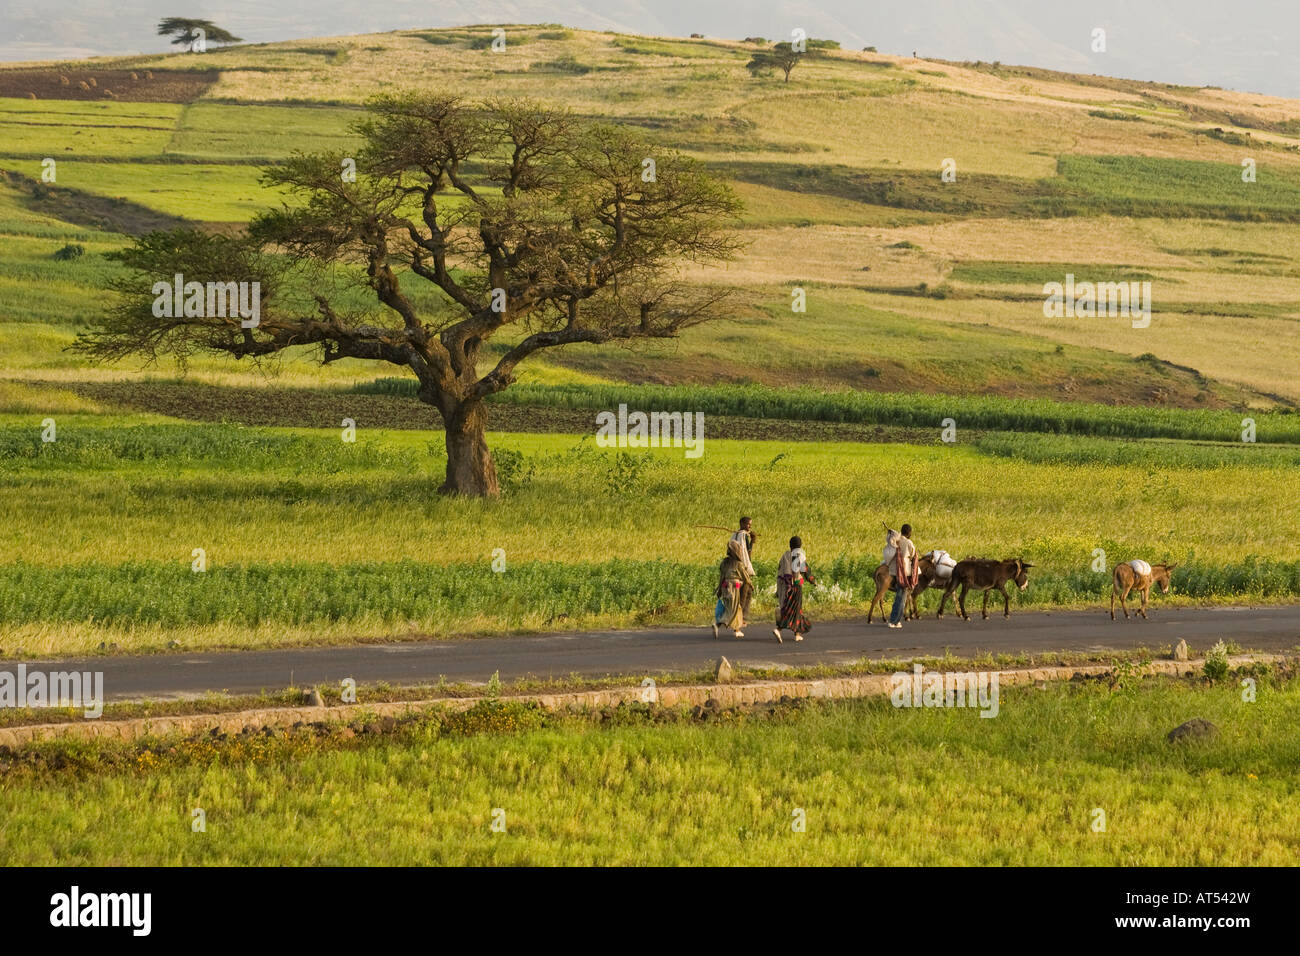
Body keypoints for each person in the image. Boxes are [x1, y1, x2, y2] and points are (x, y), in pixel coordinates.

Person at [773, 536, 816, 643]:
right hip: (796, 587)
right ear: (800, 545)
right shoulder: (799, 555)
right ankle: (780, 630)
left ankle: (797, 633)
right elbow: (805, 569)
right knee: (795, 610)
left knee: (789, 609)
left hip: (786, 587)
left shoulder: (785, 555)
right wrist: (812, 580)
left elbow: (781, 571)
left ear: (790, 545)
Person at [713, 537, 753, 639]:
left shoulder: (724, 563)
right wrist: (751, 585)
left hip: (725, 587)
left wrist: (719, 590)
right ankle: (736, 630)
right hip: (735, 587)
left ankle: (719, 625)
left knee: (728, 608)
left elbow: (722, 577)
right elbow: (746, 577)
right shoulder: (738, 564)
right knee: (736, 609)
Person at [889, 523, 919, 629]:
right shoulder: (908, 542)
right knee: (902, 598)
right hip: (905, 572)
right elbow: (913, 554)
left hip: (895, 570)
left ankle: (892, 619)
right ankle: (895, 621)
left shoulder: (896, 540)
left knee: (898, 596)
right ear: (909, 533)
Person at [729, 516, 757, 622]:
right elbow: (746, 553)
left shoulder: (734, 535)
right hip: (742, 568)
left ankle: (738, 617)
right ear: (741, 523)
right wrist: (753, 542)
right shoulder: (743, 536)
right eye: (748, 524)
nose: (750, 526)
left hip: (733, 568)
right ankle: (741, 618)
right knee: (745, 593)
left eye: (750, 524)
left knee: (739, 593)